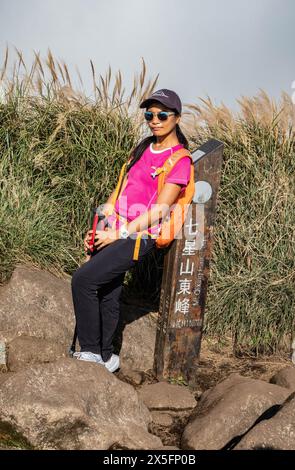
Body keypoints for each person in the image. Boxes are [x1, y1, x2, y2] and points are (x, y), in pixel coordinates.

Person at [71, 89, 192, 373]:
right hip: (116, 225)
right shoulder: (142, 148)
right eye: (149, 114)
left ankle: (89, 351)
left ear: (177, 118)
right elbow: (122, 191)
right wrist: (105, 224)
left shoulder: (180, 160)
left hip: (140, 234)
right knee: (108, 289)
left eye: (162, 114)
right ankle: (106, 356)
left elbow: (161, 210)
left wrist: (120, 232)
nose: (155, 120)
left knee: (83, 281)